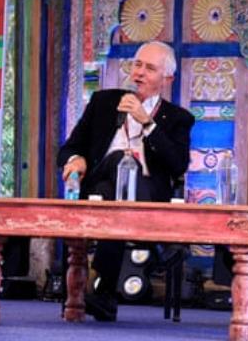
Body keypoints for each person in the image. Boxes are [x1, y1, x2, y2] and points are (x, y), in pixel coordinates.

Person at [57, 41, 194, 321]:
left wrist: (148, 124)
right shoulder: (104, 102)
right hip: (97, 185)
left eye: (150, 68)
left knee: (117, 195)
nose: (140, 73)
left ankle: (104, 294)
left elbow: (178, 164)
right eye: (137, 65)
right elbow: (70, 147)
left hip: (146, 193)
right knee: (121, 160)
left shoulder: (179, 118)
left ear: (167, 79)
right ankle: (161, 246)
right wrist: (76, 160)